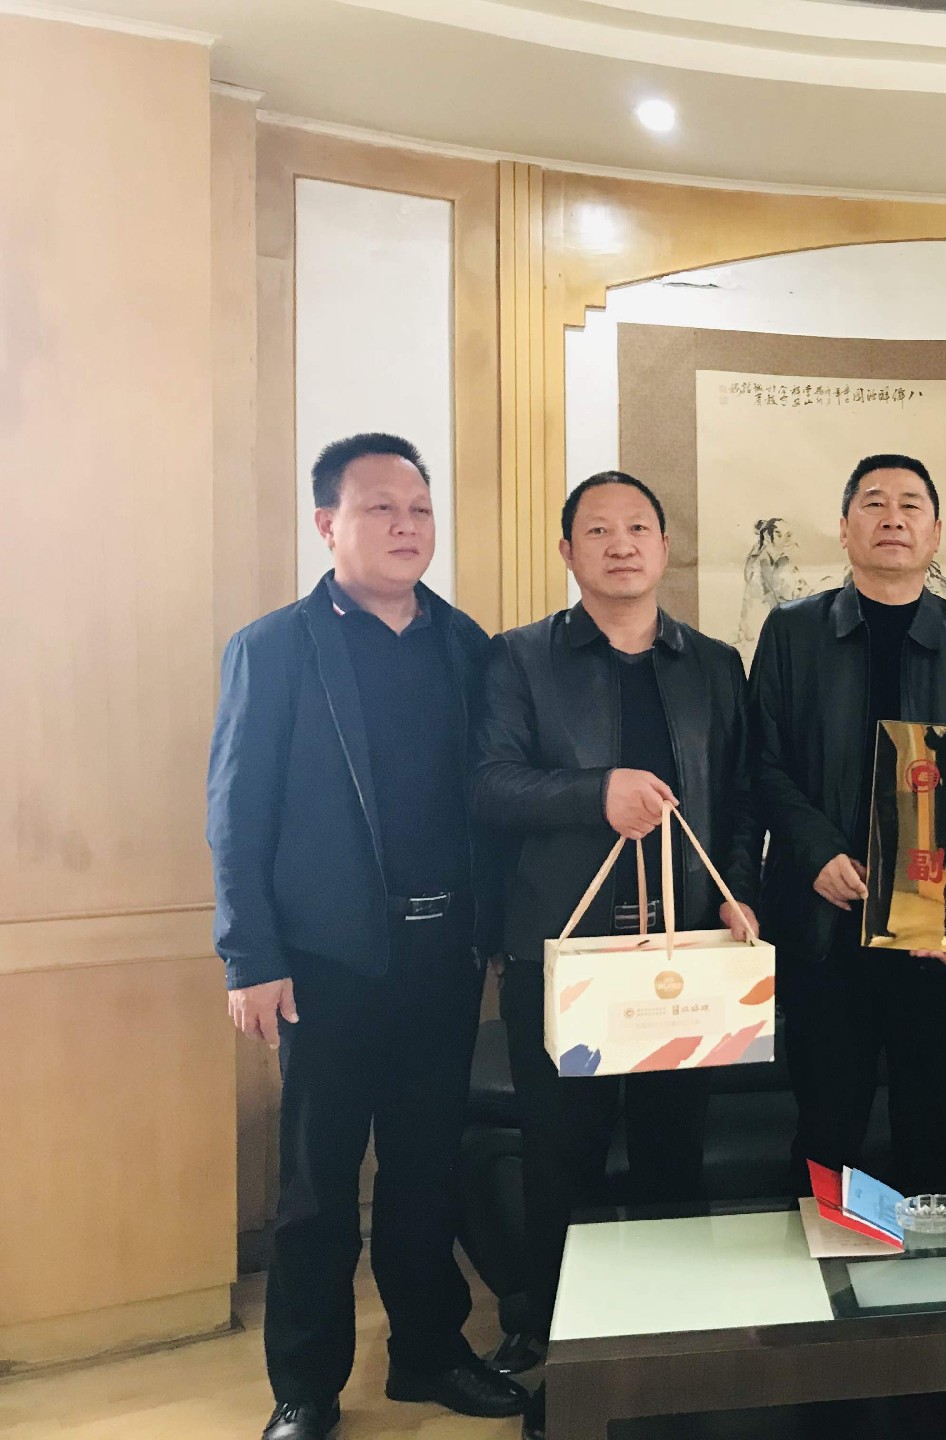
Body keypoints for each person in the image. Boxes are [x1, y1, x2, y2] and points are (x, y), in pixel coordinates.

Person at [208, 434, 528, 1440]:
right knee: (316, 1187)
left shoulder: (467, 645)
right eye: (380, 508)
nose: (406, 526)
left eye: (420, 509)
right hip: (325, 964)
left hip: (443, 958)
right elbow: (235, 814)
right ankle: (305, 1386)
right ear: (327, 524)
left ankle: (428, 1353)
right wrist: (249, 955)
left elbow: (492, 800)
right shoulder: (275, 647)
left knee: (426, 1172)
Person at [471, 471, 762, 1440]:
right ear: (568, 553)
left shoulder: (713, 663)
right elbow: (489, 786)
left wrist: (742, 891)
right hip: (567, 957)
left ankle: (673, 1345)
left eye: (638, 527)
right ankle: (560, 1348)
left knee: (676, 1153)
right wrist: (594, 792)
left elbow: (743, 796)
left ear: (665, 547)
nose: (621, 544)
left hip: (688, 956)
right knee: (564, 1159)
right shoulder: (519, 659)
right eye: (598, 530)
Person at [749, 454, 946, 1197]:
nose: (892, 518)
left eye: (910, 504)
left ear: (936, 532)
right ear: (844, 529)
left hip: (937, 929)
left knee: (933, 1125)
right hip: (823, 919)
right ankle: (824, 1267)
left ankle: (935, 1270)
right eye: (872, 503)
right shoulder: (792, 632)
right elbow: (761, 764)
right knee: (826, 1126)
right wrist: (816, 853)